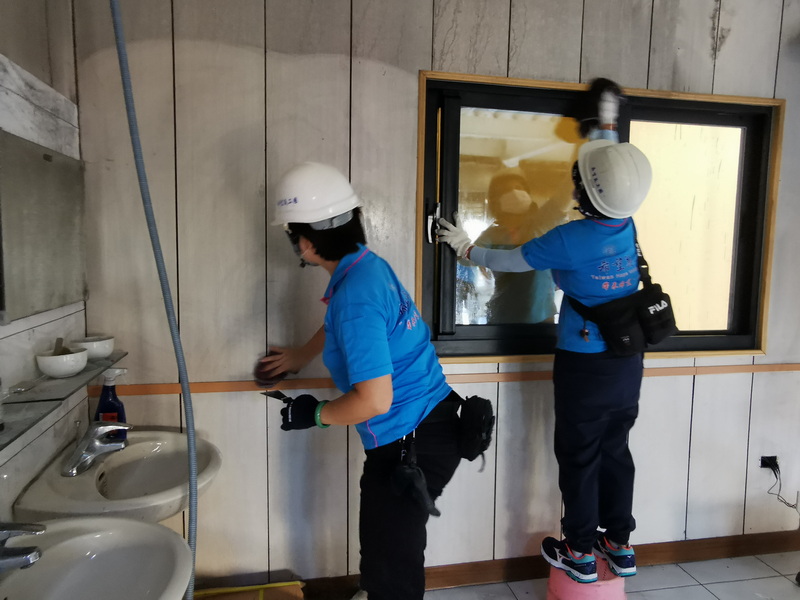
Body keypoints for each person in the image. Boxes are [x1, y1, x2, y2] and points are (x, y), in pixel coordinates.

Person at [438, 79, 652, 584]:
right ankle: (620, 544)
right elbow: (612, 180)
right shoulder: (626, 224)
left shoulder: (569, 239)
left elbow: (509, 260)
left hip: (585, 365)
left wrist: (464, 247)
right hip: (628, 360)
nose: (573, 184)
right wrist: (605, 123)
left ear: (584, 193)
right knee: (615, 451)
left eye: (578, 181)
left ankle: (578, 552)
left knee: (579, 456)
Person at [258, 162, 463, 600]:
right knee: (385, 545)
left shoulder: (354, 294)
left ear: (306, 243)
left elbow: (374, 401)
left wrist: (314, 414)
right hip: (434, 421)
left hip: (410, 440)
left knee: (392, 562)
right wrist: (300, 356)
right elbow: (346, 326)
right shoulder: (367, 268)